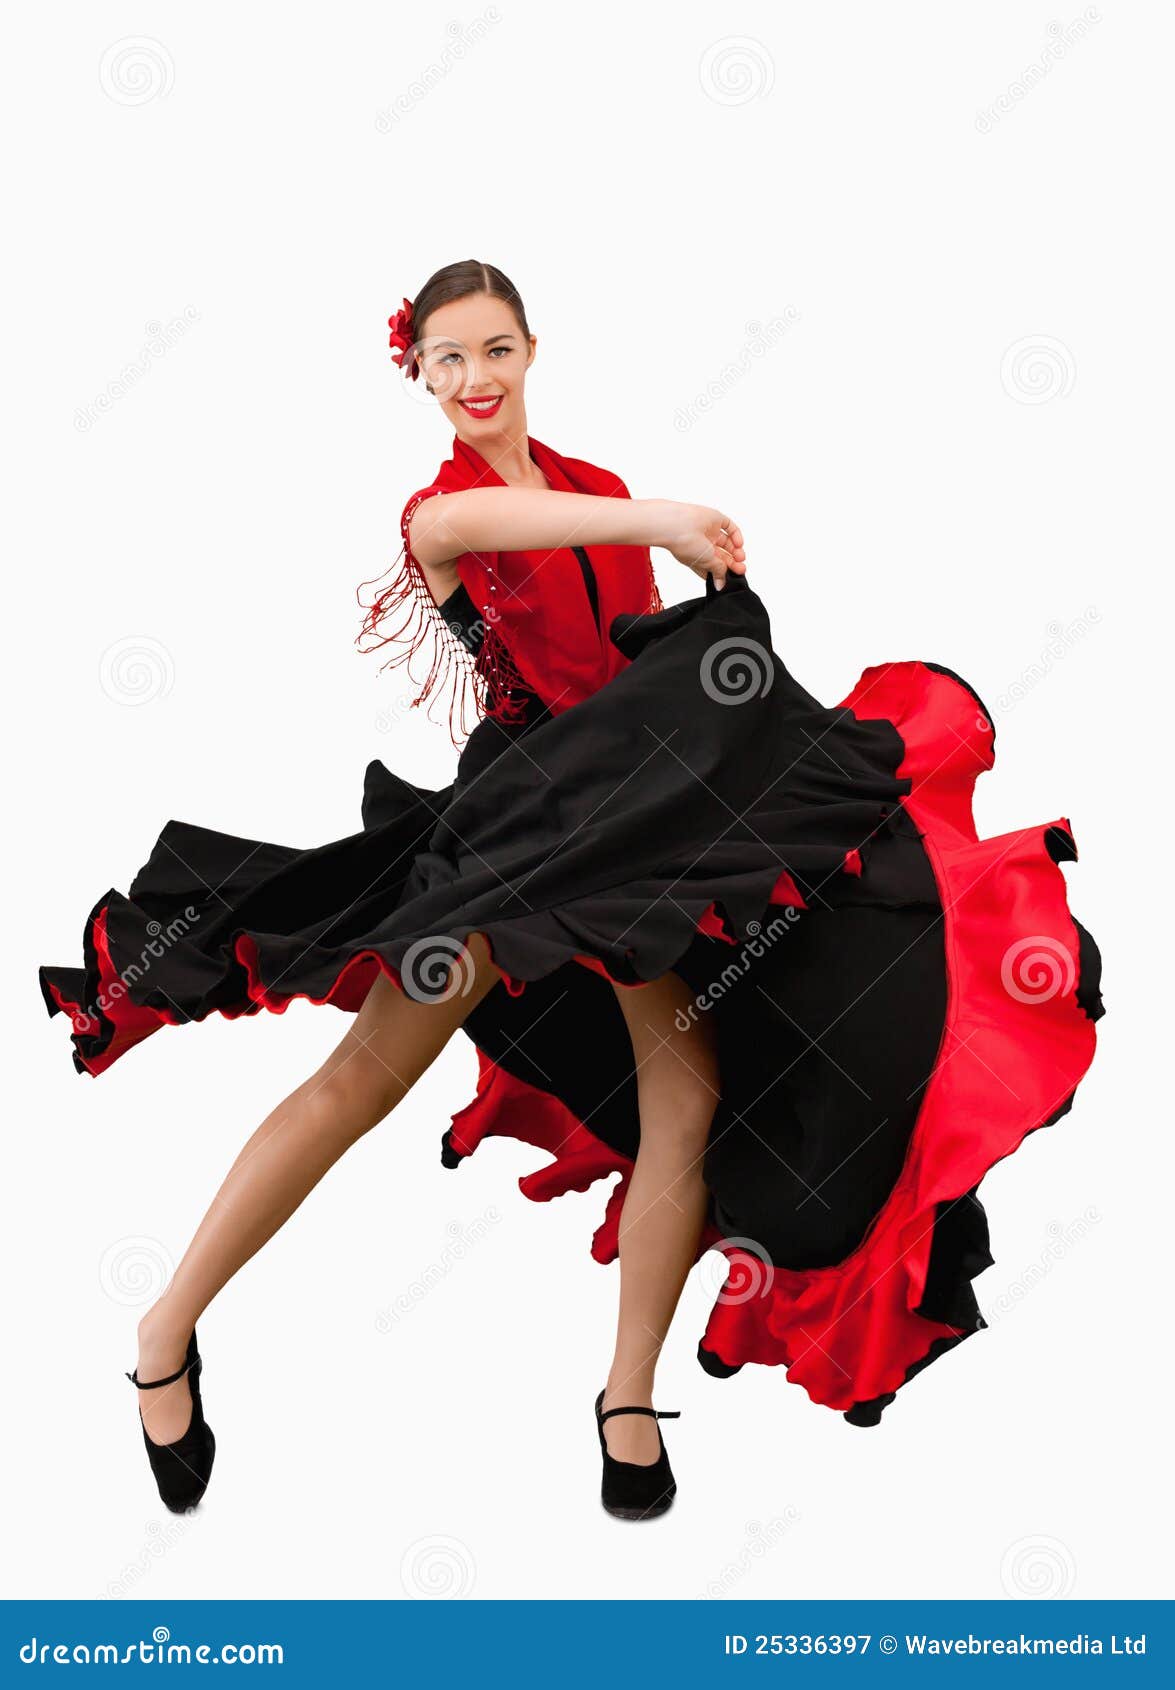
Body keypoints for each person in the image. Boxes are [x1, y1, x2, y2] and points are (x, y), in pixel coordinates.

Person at [40, 259, 1102, 1523]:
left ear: (530, 352)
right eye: (447, 359)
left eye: (495, 350)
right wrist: (663, 520)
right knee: (357, 1085)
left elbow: (644, 670)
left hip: (635, 828)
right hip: (515, 832)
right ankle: (163, 1332)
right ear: (419, 374)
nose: (474, 378)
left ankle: (626, 1400)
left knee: (686, 1098)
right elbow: (501, 533)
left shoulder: (596, 488)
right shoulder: (442, 512)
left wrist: (704, 623)